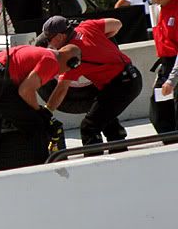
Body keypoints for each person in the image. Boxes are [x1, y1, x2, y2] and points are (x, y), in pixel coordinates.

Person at [0, 44, 82, 174]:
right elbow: (25, 90)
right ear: (72, 61)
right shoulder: (52, 61)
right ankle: (43, 170)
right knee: (37, 125)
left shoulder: (39, 51)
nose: (66, 72)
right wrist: (39, 112)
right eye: (72, 67)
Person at [40, 15, 142, 149]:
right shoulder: (87, 26)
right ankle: (119, 149)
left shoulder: (72, 53)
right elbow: (117, 23)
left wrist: (46, 112)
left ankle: (94, 158)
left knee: (89, 126)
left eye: (49, 39)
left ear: (60, 37)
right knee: (107, 120)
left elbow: (61, 90)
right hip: (131, 76)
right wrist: (101, 41)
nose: (48, 43)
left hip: (121, 85)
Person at [145, 0, 178, 133]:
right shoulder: (160, 10)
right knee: (160, 109)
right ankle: (170, 140)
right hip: (166, 64)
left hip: (175, 64)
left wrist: (172, 79)